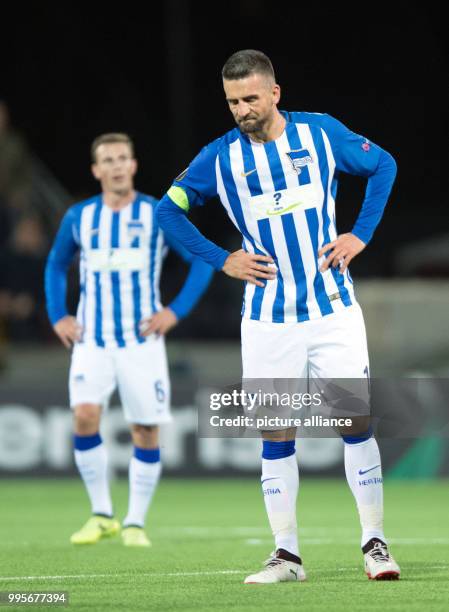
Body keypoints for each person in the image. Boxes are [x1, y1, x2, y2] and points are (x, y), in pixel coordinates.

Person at [157, 50, 400, 583]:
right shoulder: (217, 159)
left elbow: (383, 163)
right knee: (275, 433)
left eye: (249, 98)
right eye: (231, 102)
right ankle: (286, 556)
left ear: (274, 93)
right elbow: (167, 211)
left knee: (353, 423)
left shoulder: (320, 134)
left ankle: (375, 544)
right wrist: (222, 259)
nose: (241, 109)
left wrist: (360, 234)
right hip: (267, 318)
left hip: (332, 309)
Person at [45, 133, 213, 547]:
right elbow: (55, 264)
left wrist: (174, 312)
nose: (117, 166)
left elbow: (201, 261)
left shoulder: (157, 214)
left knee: (145, 430)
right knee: (84, 416)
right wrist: (58, 316)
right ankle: (102, 513)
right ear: (96, 170)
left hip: (141, 343)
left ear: (133, 166)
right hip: (93, 340)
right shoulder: (79, 217)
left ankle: (135, 522)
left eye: (124, 158)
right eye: (108, 160)